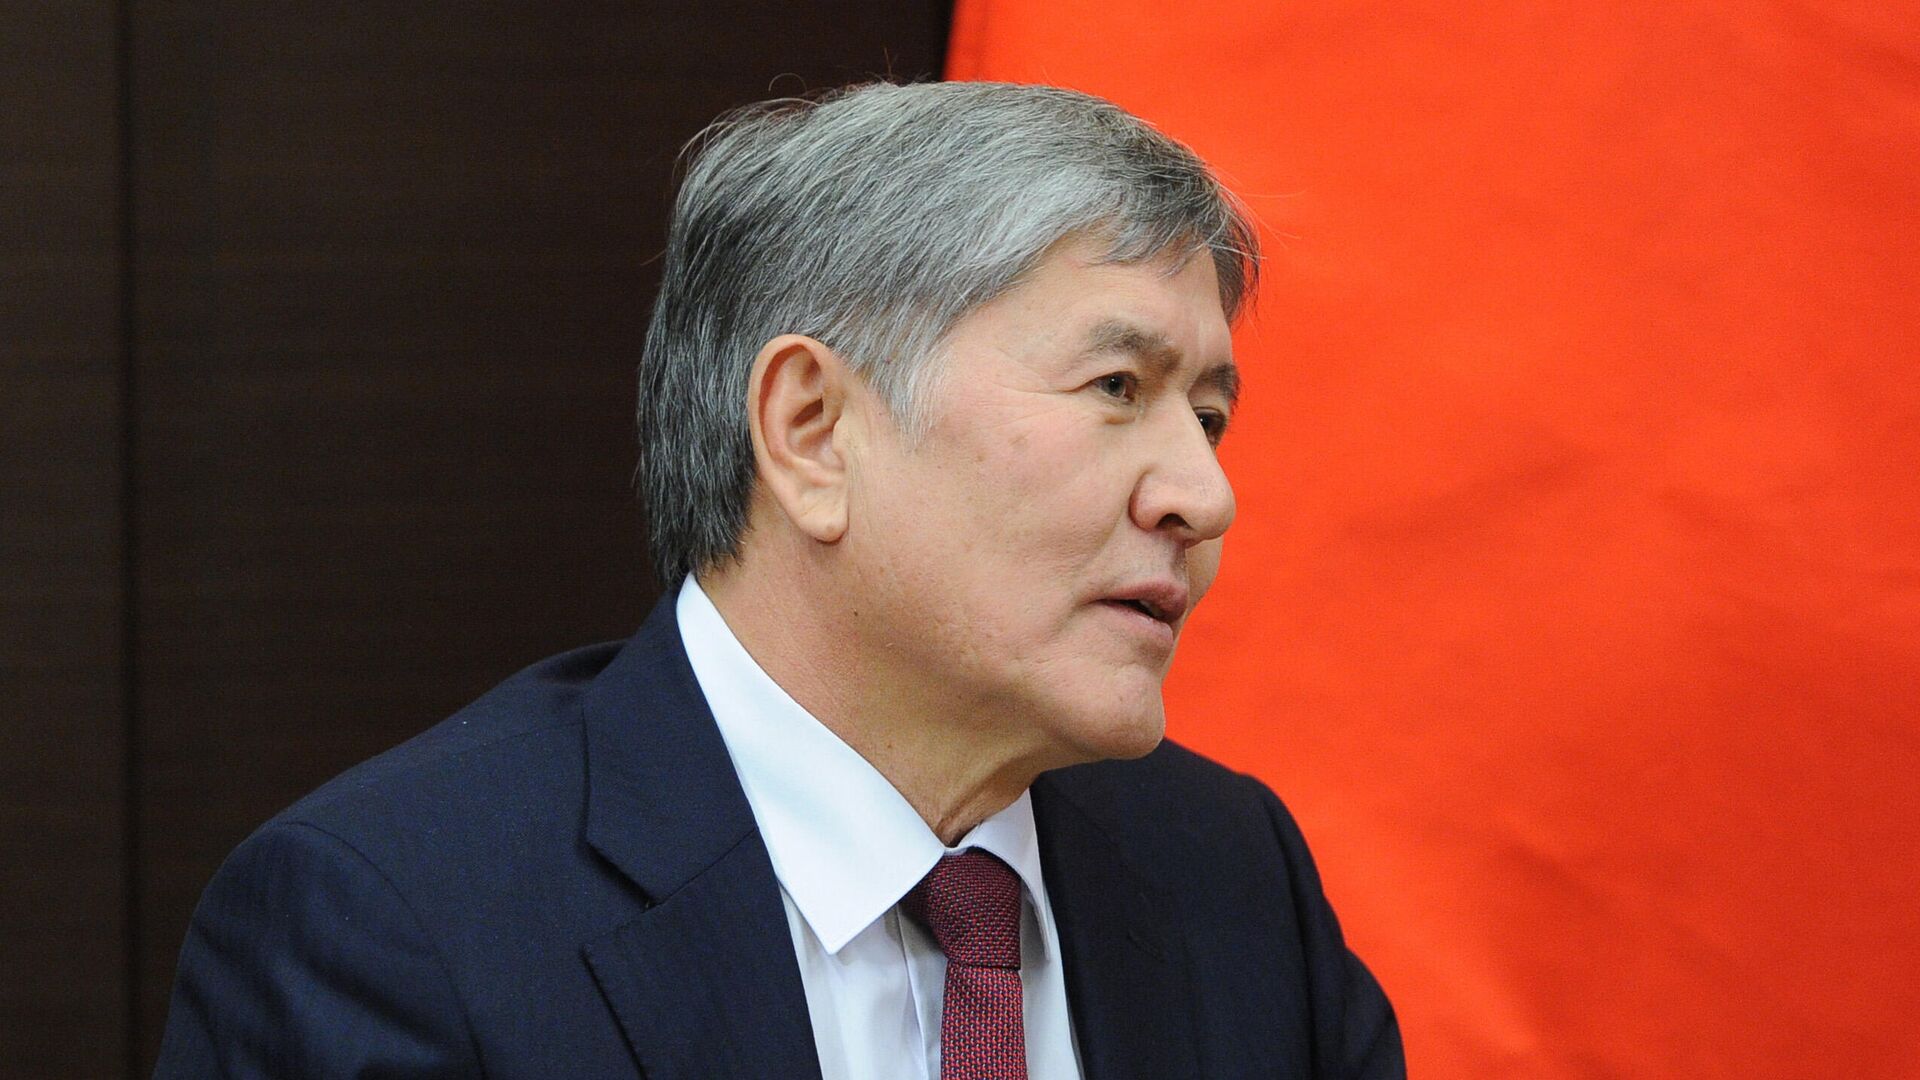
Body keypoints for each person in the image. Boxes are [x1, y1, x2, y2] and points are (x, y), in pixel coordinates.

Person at [152, 81, 1404, 1079]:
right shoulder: (398, 925)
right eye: (1117, 388)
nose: (1203, 497)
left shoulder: (1229, 874)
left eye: (1210, 418)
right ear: (812, 432)